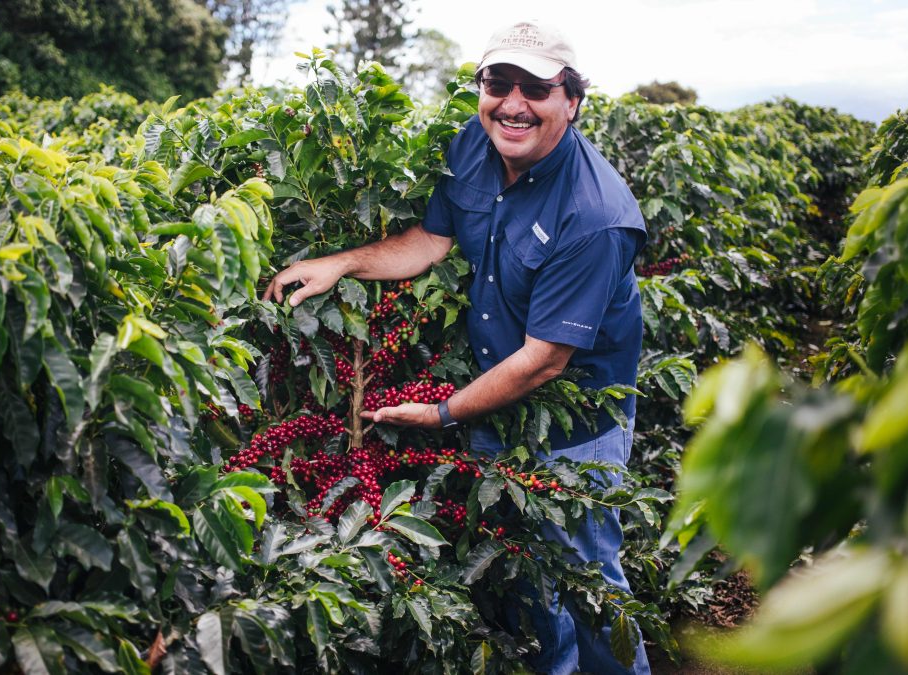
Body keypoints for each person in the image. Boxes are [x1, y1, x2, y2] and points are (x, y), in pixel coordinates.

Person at [263, 19, 650, 675]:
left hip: (575, 418)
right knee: (528, 574)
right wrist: (342, 263)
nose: (514, 103)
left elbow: (544, 360)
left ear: (572, 100)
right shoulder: (473, 145)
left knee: (587, 581)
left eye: (537, 88)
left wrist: (442, 414)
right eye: (500, 83)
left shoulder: (596, 215)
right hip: (494, 395)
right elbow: (430, 241)